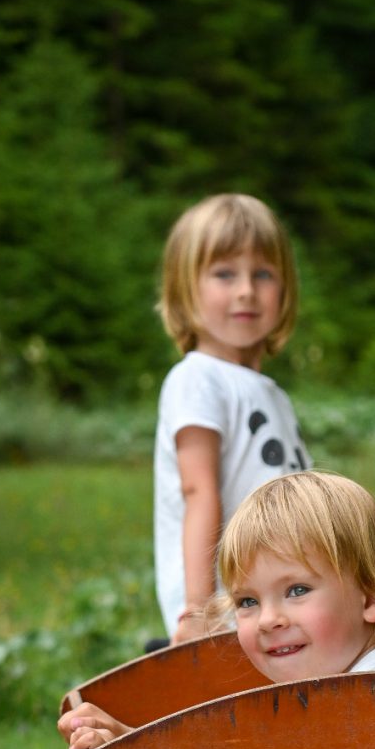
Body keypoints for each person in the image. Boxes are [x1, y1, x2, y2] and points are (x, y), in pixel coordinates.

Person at [60, 471, 375, 749]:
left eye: (297, 590)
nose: (268, 619)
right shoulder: (325, 693)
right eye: (247, 601)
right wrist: (128, 745)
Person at [152, 193, 310, 647]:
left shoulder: (272, 393)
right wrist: (200, 611)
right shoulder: (196, 379)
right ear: (185, 289)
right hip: (229, 610)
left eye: (263, 274)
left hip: (281, 601)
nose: (246, 290)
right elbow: (198, 489)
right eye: (225, 274)